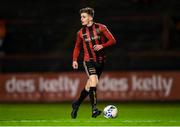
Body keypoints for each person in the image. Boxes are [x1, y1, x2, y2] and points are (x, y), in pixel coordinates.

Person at [71, 7, 116, 119]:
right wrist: (74, 60)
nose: (81, 19)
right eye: (81, 17)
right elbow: (77, 47)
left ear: (90, 17)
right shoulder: (81, 33)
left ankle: (76, 104)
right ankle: (94, 109)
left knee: (89, 86)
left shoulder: (101, 28)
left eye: (84, 17)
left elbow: (113, 40)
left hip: (100, 62)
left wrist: (102, 45)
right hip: (88, 61)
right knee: (94, 81)